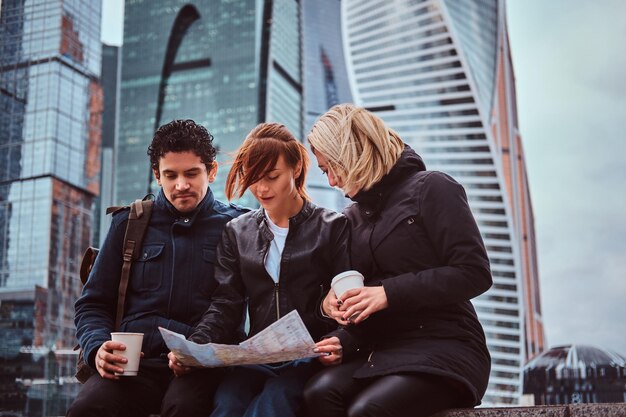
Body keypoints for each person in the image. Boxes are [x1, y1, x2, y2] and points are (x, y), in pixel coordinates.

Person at [304, 104, 492, 417]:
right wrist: (340, 336)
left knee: (369, 410)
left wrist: (388, 293)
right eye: (324, 173)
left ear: (353, 151)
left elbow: (473, 273)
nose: (332, 181)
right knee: (317, 394)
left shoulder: (433, 187)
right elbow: (362, 309)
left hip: (448, 345)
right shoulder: (349, 221)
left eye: (330, 167)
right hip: (384, 350)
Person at [169, 122, 351, 417]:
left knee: (273, 403)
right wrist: (194, 349)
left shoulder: (332, 227)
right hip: (256, 356)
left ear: (295, 169)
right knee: (228, 402)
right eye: (252, 178)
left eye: (272, 176)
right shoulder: (238, 232)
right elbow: (226, 303)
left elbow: (349, 298)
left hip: (312, 355)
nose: (262, 188)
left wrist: (343, 342)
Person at [67, 120, 246, 417]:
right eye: (170, 175)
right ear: (156, 176)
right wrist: (97, 348)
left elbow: (232, 304)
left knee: (183, 409)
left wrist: (195, 352)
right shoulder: (128, 225)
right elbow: (92, 304)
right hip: (133, 366)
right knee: (86, 409)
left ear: (212, 171)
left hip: (201, 367)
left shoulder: (237, 227)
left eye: (191, 173)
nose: (181, 185)